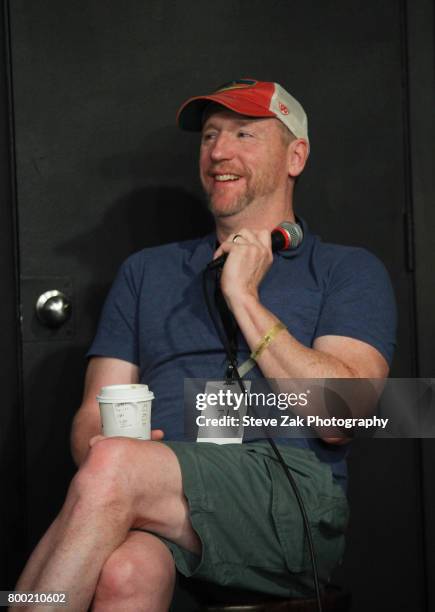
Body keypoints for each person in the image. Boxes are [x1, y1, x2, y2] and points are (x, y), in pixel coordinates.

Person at [15, 79, 396, 611]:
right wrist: (111, 455)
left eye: (244, 133)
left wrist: (243, 295)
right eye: (210, 136)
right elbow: (90, 419)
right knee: (126, 572)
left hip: (289, 506)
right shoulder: (147, 272)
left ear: (296, 155)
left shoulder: (346, 270)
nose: (218, 151)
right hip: (159, 497)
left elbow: (344, 417)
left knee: (114, 467)